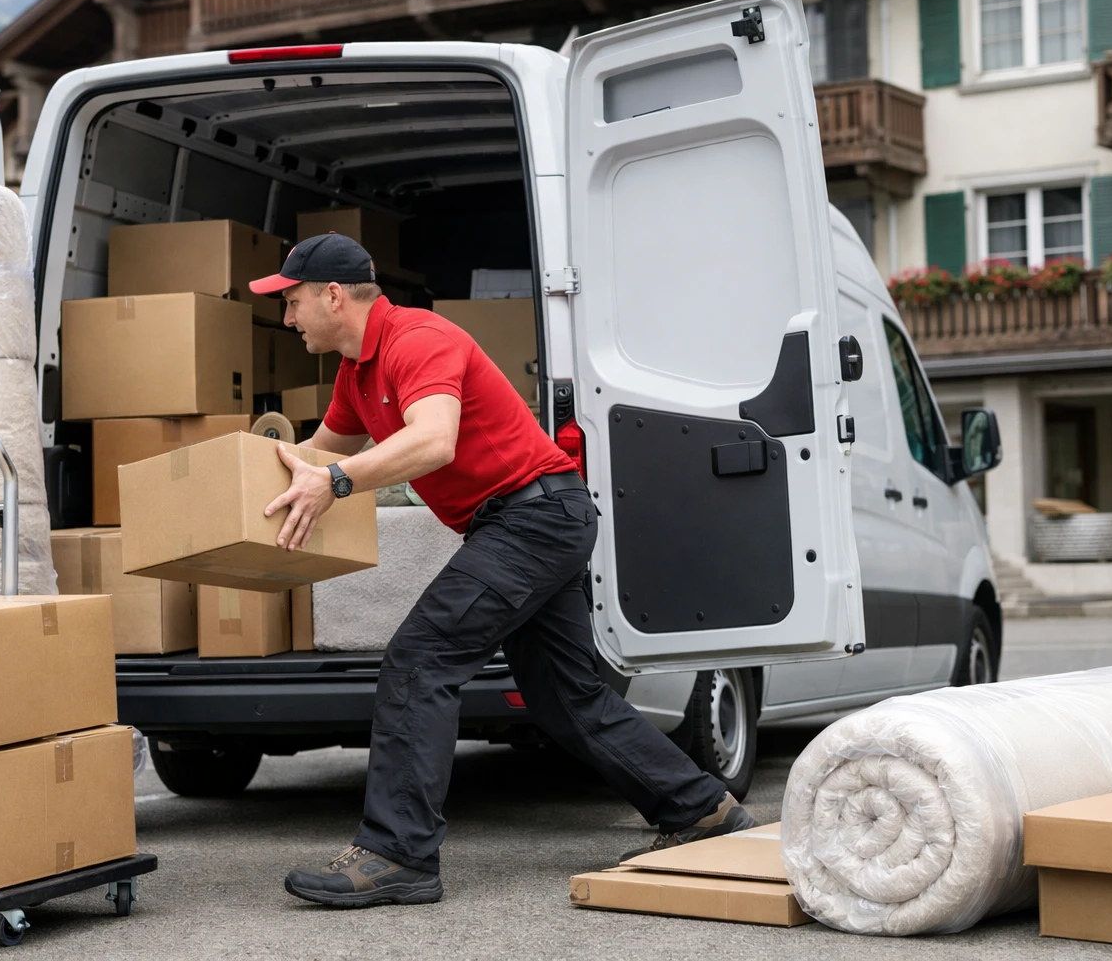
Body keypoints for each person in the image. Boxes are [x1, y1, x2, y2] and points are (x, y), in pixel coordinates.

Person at [249, 233, 752, 908]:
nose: (287, 317)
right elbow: (314, 454)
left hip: (535, 518)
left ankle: (398, 852)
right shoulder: (356, 372)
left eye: (293, 301)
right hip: (527, 522)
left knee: (421, 658)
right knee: (565, 696)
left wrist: (337, 482)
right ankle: (700, 809)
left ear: (333, 295)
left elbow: (432, 439)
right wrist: (235, 479)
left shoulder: (415, 340)